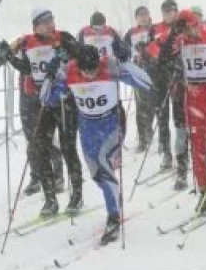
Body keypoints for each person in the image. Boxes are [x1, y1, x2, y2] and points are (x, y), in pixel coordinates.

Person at [41, 45, 153, 245]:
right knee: (96, 173)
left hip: (111, 124)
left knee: (104, 166)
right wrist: (50, 75)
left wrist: (125, 60)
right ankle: (113, 197)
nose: (90, 75)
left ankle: (113, 216)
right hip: (87, 127)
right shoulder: (71, 72)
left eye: (93, 70)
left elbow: (146, 82)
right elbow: (46, 99)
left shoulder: (109, 68)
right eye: (86, 71)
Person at [0, 9, 81, 216]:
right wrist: (7, 57)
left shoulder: (63, 37)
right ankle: (50, 199)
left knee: (68, 148)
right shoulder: (26, 42)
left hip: (63, 97)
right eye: (44, 22)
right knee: (40, 148)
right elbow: (27, 68)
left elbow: (79, 54)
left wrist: (65, 53)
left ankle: (77, 195)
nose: (50, 24)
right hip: (42, 100)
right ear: (35, 25)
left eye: (52, 19)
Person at [164, 9, 206, 213]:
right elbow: (164, 56)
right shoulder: (181, 40)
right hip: (192, 95)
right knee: (197, 148)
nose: (190, 32)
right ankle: (204, 192)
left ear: (197, 23)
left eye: (192, 27)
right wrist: (173, 33)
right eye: (185, 29)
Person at [147, 0, 189, 184]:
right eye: (166, 11)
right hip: (160, 77)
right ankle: (166, 153)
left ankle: (182, 164)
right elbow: (152, 47)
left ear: (177, 11)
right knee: (162, 117)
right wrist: (157, 56)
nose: (169, 14)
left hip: (178, 78)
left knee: (180, 120)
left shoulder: (184, 27)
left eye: (172, 11)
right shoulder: (156, 29)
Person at [124, 6, 156, 153]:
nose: (143, 17)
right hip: (139, 72)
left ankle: (151, 130)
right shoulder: (131, 33)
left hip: (155, 72)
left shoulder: (155, 29)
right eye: (140, 15)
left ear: (149, 15)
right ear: (136, 18)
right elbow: (123, 50)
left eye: (145, 14)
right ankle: (143, 138)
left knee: (153, 105)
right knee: (141, 106)